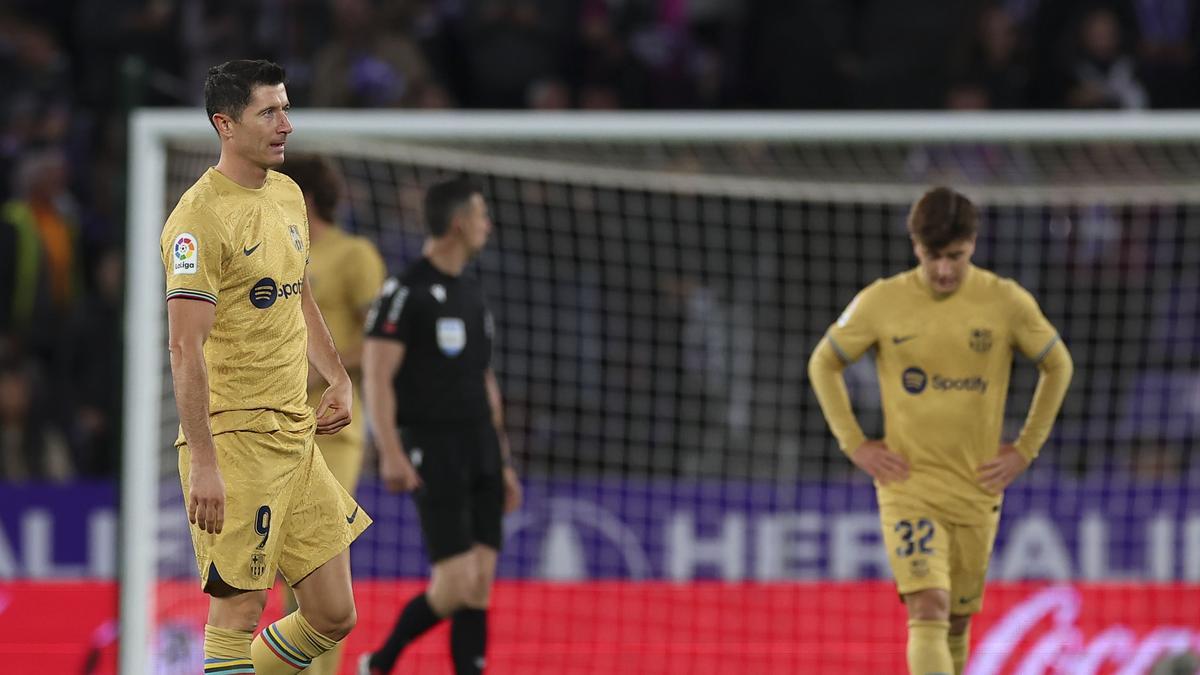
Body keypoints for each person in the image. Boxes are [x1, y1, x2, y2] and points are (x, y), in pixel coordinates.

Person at [807, 186, 1073, 675]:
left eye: (956, 256)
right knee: (927, 606)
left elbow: (1059, 365)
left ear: (973, 244)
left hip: (977, 486)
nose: (945, 269)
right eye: (934, 257)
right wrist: (855, 443)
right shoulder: (882, 301)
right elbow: (823, 363)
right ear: (916, 247)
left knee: (955, 620)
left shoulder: (1005, 301)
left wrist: (1025, 449)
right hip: (909, 483)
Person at [160, 59, 371, 675]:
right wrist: (203, 460)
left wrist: (337, 375)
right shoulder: (197, 220)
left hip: (296, 435)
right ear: (226, 124)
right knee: (238, 612)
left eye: (286, 107)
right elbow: (183, 348)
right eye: (269, 112)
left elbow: (297, 292)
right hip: (234, 440)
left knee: (334, 614)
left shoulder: (285, 195)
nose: (286, 123)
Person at [358, 177, 522, 675]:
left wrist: (505, 459)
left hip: (482, 447)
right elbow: (378, 376)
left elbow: (483, 379)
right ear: (458, 224)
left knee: (480, 584)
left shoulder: (472, 291)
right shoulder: (404, 292)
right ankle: (380, 662)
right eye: (481, 216)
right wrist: (389, 448)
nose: (487, 225)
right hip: (434, 446)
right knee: (454, 585)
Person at [275, 153, 386, 675]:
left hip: (333, 429)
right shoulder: (273, 255)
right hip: (275, 428)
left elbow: (386, 341)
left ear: (306, 198)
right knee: (282, 568)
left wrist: (324, 369)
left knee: (322, 562)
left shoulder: (354, 254)